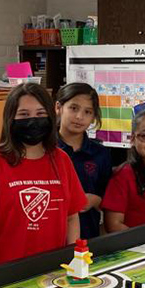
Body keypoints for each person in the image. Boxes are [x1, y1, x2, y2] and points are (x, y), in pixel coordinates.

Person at [0, 83, 87, 269]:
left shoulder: (62, 160)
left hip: (54, 273)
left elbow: (72, 217)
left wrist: (74, 264)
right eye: (24, 114)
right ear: (11, 119)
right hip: (7, 276)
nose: (33, 121)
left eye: (40, 114)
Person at [55, 83, 111, 239]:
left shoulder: (100, 153)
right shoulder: (44, 149)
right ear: (59, 107)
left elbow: (108, 199)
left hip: (87, 235)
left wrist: (95, 200)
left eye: (88, 112)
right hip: (51, 236)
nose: (80, 117)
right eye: (73, 108)